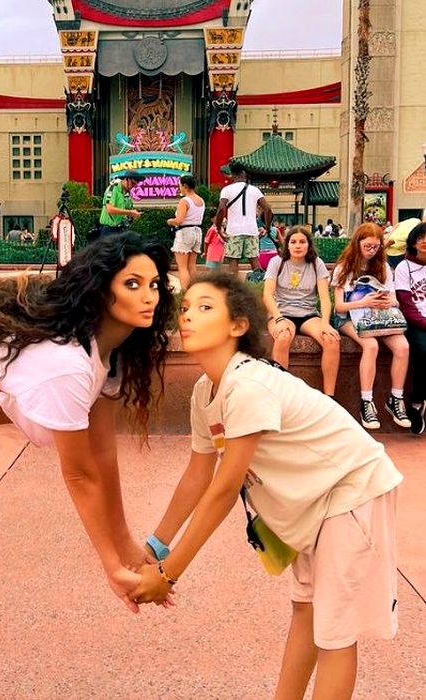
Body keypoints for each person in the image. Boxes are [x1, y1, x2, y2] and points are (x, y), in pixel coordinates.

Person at [0, 232, 174, 700]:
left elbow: (103, 458)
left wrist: (127, 546)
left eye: (153, 284)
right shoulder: (67, 364)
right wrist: (111, 566)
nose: (148, 296)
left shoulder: (103, 358)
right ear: (100, 289)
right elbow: (79, 475)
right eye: (132, 284)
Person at [131, 271, 402, 700]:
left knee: (334, 631)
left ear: (238, 325)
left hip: (352, 490)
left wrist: (168, 574)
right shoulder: (206, 391)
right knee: (306, 612)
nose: (188, 316)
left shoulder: (248, 385)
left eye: (205, 307)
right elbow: (197, 476)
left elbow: (224, 489)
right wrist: (155, 547)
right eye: (185, 308)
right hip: (315, 504)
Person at [332, 223, 410, 430]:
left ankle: (396, 398)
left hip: (379, 316)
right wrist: (363, 302)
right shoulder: (343, 268)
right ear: (357, 243)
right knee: (371, 345)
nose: (371, 251)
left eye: (376, 247)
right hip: (348, 318)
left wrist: (388, 301)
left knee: (403, 347)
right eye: (367, 246)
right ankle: (366, 401)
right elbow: (339, 307)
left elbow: (395, 299)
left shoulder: (383, 267)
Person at [263, 226, 340, 398]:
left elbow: (324, 298)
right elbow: (267, 295)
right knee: (283, 336)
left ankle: (329, 397)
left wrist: (325, 323)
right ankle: (280, 395)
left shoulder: (316, 264)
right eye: (293, 242)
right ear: (287, 245)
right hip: (282, 313)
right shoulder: (277, 262)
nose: (298, 246)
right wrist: (278, 319)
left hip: (308, 314)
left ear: (309, 245)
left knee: (331, 340)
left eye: (302, 242)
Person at [395, 221, 426, 435]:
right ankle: (416, 402)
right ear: (413, 243)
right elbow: (406, 305)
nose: (424, 242)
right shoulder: (403, 267)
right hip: (416, 322)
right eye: (420, 238)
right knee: (424, 350)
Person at [215, 163, 272, 275]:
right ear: (244, 173)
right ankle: (258, 282)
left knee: (233, 261)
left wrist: (219, 228)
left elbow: (221, 209)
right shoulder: (255, 190)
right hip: (251, 230)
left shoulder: (227, 190)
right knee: (254, 260)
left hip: (233, 231)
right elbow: (268, 209)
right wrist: (267, 228)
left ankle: (234, 285)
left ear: (232, 174)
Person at [166, 175, 205, 290]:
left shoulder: (184, 201)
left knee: (182, 267)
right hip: (197, 231)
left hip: (185, 232)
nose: (180, 188)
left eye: (180, 185)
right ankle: (195, 290)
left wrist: (170, 221)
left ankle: (184, 292)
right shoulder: (201, 200)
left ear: (185, 186)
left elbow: (179, 220)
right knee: (192, 266)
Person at [99, 170, 144, 236]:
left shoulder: (126, 194)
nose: (133, 186)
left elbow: (127, 210)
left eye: (135, 185)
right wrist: (130, 212)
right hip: (108, 230)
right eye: (132, 183)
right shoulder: (113, 189)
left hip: (120, 230)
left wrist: (134, 214)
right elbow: (110, 209)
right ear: (126, 179)